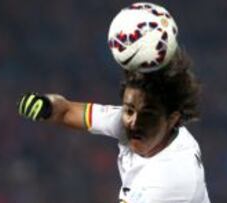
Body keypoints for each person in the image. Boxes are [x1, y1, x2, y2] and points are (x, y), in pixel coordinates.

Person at [17, 49, 210, 203]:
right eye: (129, 110)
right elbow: (67, 110)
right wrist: (47, 106)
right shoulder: (128, 123)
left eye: (148, 115)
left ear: (173, 119)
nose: (134, 122)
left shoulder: (171, 179)